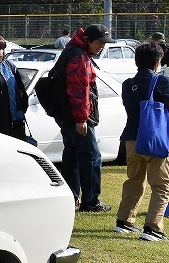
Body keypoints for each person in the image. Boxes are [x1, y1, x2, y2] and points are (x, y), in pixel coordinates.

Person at [52, 24, 113, 212]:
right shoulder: (79, 57)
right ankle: (91, 201)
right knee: (92, 155)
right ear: (88, 40)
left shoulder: (71, 51)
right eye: (99, 43)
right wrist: (81, 119)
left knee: (72, 154)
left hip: (65, 115)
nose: (101, 47)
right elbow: (79, 91)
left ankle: (71, 197)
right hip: (76, 117)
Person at [114, 42, 169, 241]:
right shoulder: (162, 82)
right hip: (155, 140)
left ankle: (124, 221)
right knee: (161, 185)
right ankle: (153, 228)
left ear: (136, 62)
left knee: (134, 181)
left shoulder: (127, 84)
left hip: (131, 138)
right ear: (157, 63)